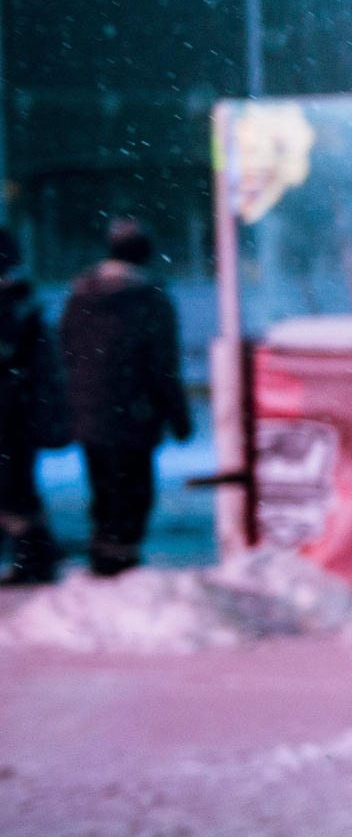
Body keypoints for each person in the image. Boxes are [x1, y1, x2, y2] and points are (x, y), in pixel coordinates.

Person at [59, 219, 193, 577]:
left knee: (103, 488)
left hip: (89, 411)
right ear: (144, 255)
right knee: (133, 491)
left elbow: (66, 351)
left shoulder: (81, 294)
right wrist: (179, 419)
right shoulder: (150, 298)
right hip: (134, 414)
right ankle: (123, 562)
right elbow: (163, 365)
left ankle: (104, 556)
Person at [0, 228, 71, 584]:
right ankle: (36, 557)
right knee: (18, 490)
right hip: (18, 417)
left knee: (13, 492)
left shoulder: (12, 310)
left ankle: (34, 560)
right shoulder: (21, 305)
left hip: (10, 419)